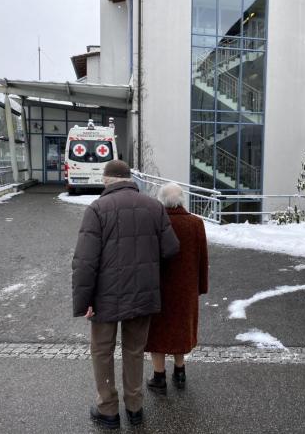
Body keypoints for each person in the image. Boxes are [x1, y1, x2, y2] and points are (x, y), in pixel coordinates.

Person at [71, 160, 180, 429]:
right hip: (142, 294)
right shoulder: (154, 207)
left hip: (104, 297)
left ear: (107, 180)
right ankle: (135, 408)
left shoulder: (97, 209)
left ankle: (108, 410)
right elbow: (170, 249)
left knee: (102, 351)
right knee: (134, 350)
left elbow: (85, 261)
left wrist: (83, 302)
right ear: (129, 179)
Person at [145, 183, 209, 394]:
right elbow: (202, 259)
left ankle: (159, 377)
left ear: (162, 201)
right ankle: (180, 372)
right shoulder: (196, 223)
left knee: (158, 332)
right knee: (181, 330)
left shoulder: (155, 223)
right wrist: (201, 286)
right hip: (186, 289)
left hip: (159, 289)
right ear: (182, 199)